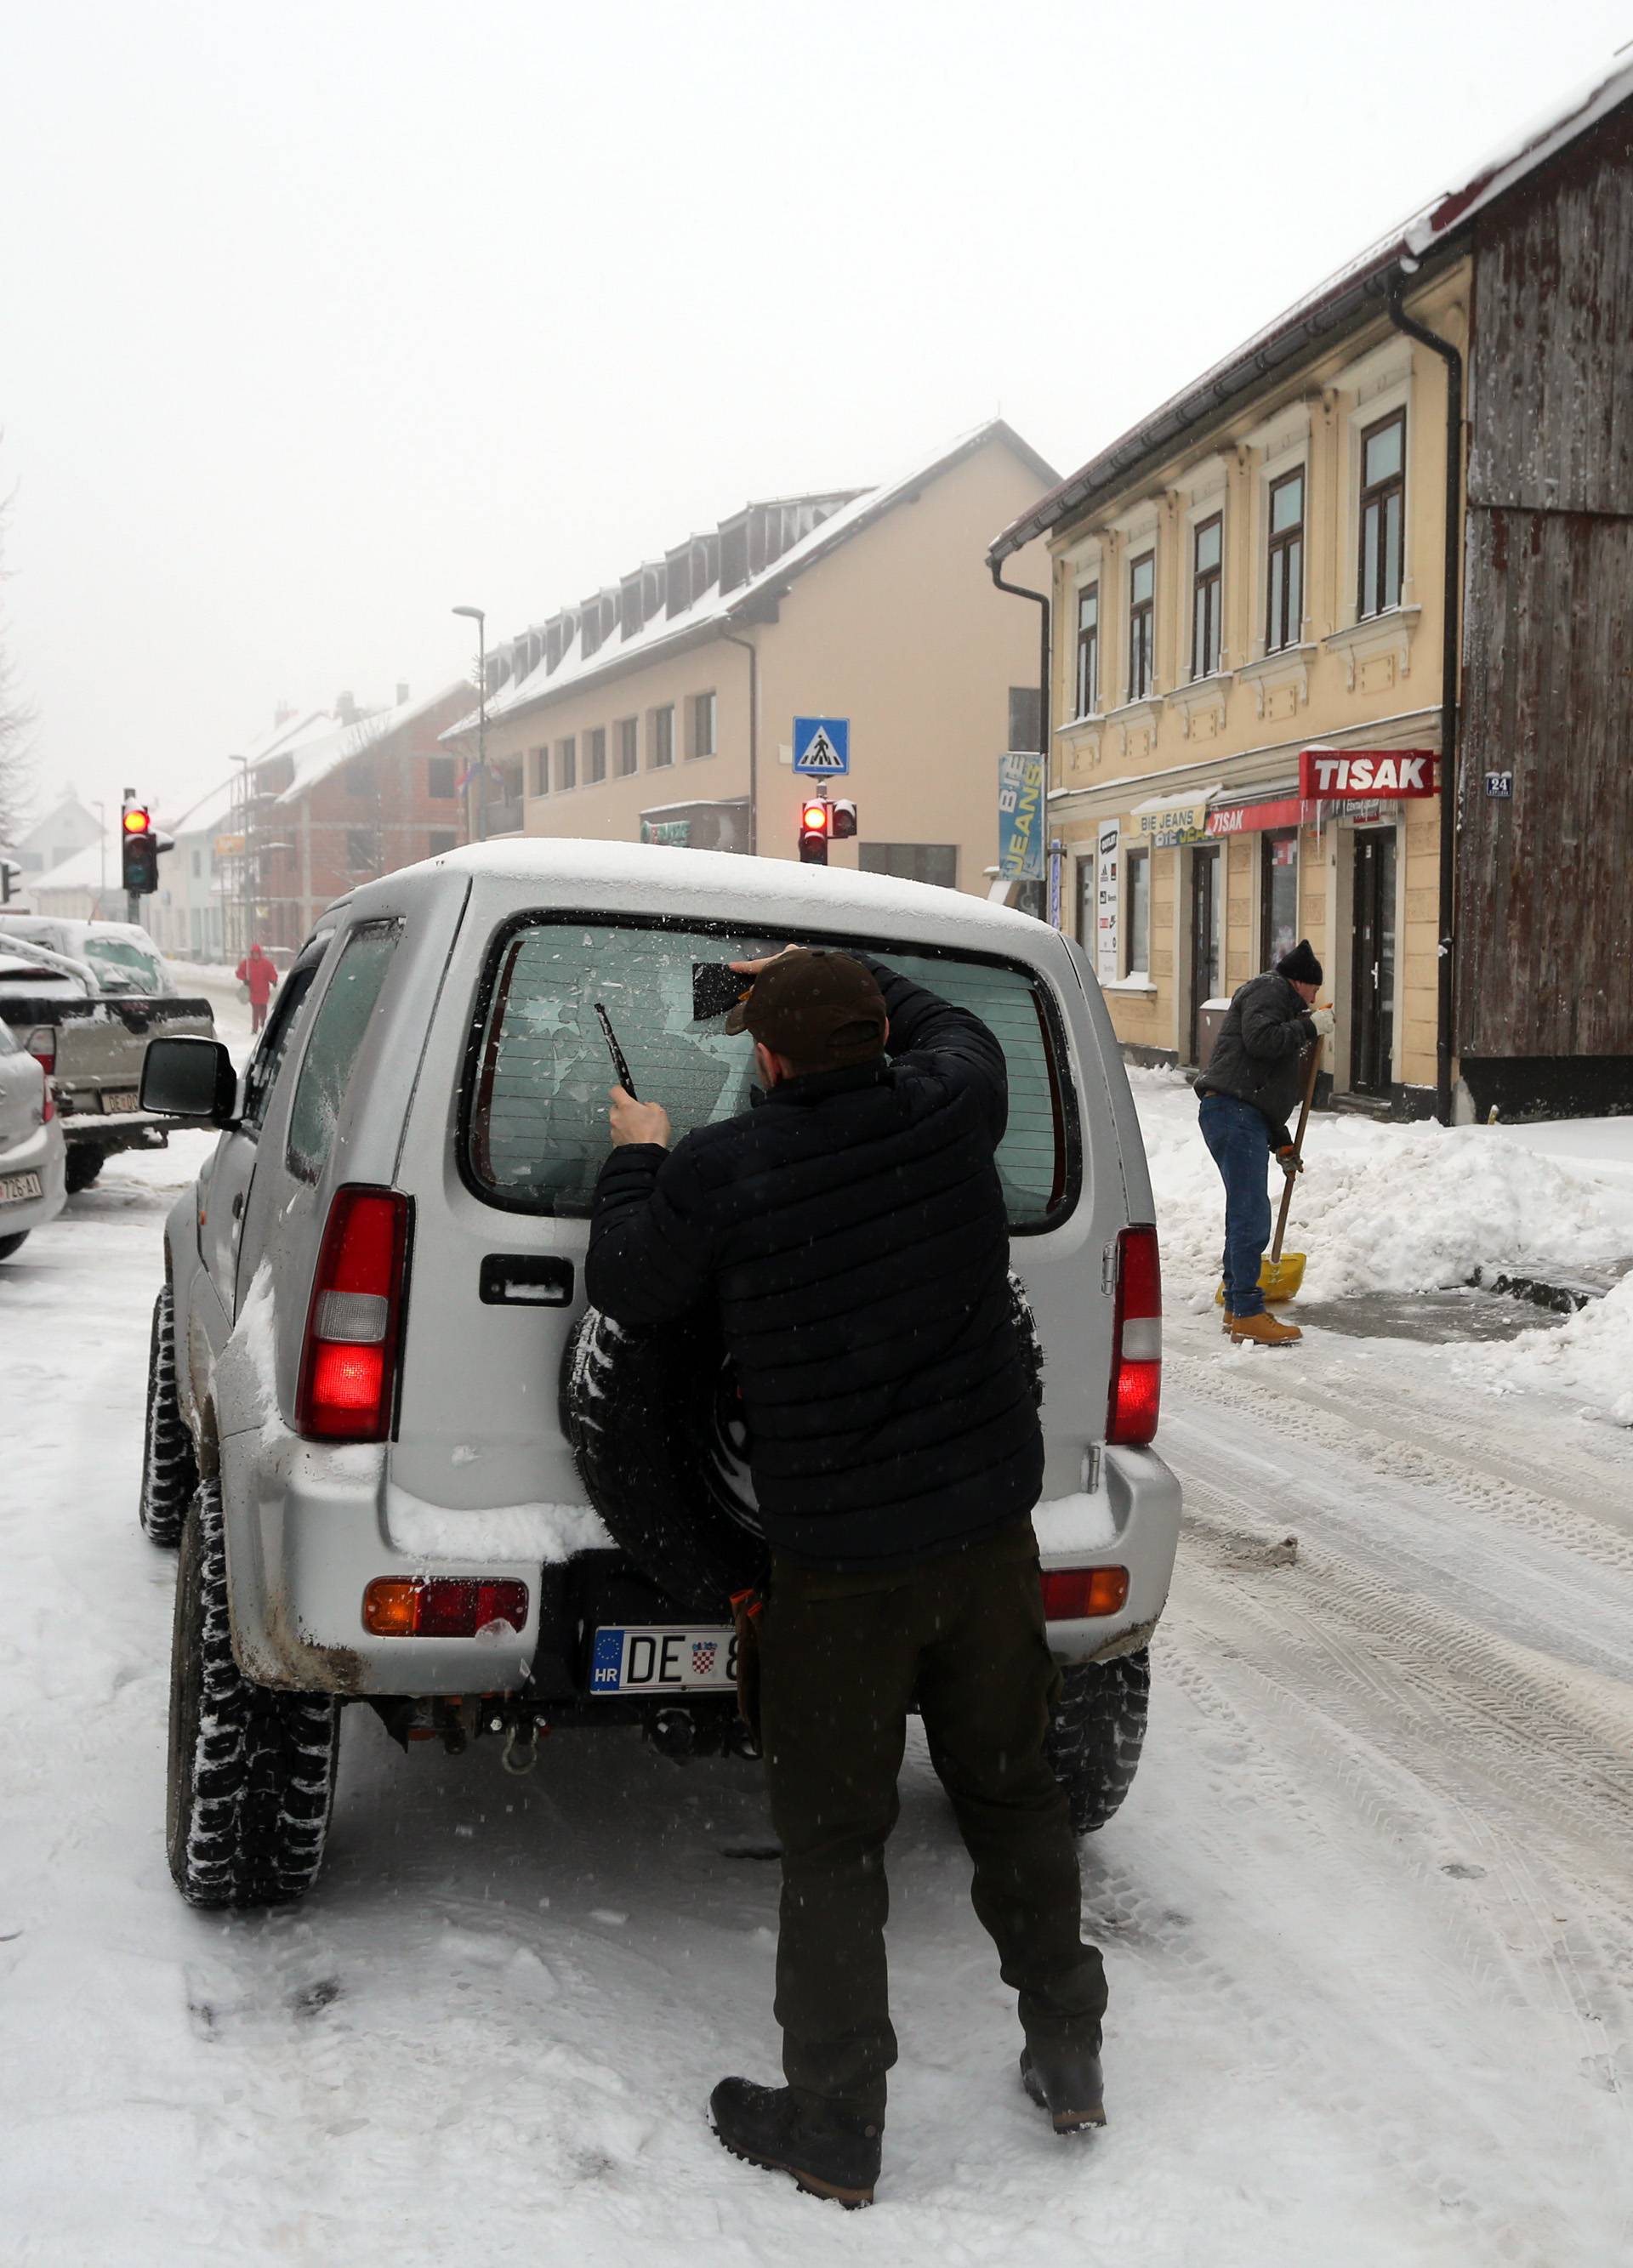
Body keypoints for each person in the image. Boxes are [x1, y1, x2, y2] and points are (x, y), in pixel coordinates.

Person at [585, 946, 1107, 2208]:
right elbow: (959, 1027)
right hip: (986, 1548)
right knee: (1014, 1794)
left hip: (840, 1573)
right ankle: (1068, 2051)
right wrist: (845, 974)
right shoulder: (953, 1106)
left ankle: (832, 2121)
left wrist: (639, 1150)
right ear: (879, 1039)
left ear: (763, 1060)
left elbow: (629, 1277)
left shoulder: (725, 1167)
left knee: (834, 1840)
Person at [1193, 939, 1335, 1346]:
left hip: (1243, 1115)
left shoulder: (1278, 1001)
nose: (1314, 1000)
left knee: (1244, 1211)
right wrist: (1309, 1027)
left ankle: (1236, 1307)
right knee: (1251, 1215)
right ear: (1300, 982)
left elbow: (1261, 1088)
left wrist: (1282, 1143)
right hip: (1233, 1114)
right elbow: (1261, 1041)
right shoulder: (1269, 991)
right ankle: (1248, 1313)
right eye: (1313, 991)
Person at [236, 941, 278, 1034]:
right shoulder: (247, 964)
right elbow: (239, 973)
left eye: (257, 954)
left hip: (264, 992)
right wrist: (244, 979)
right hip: (253, 992)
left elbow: (272, 973)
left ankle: (263, 1026)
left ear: (259, 954)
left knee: (263, 1012)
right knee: (255, 1011)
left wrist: (273, 980)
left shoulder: (266, 964)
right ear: (251, 954)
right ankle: (255, 1029)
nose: (255, 956)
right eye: (254, 954)